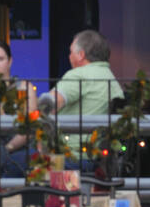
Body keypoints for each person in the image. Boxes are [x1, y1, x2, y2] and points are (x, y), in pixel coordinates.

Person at [45, 29, 124, 163]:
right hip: (93, 159)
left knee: (8, 162)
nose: (69, 57)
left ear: (81, 55)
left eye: (71, 52)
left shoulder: (79, 75)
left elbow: (48, 106)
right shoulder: (112, 81)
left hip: (66, 159)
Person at [0, 39, 36, 177]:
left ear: (9, 61)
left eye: (0, 59)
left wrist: (7, 149)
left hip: (18, 150)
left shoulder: (23, 88)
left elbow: (29, 128)